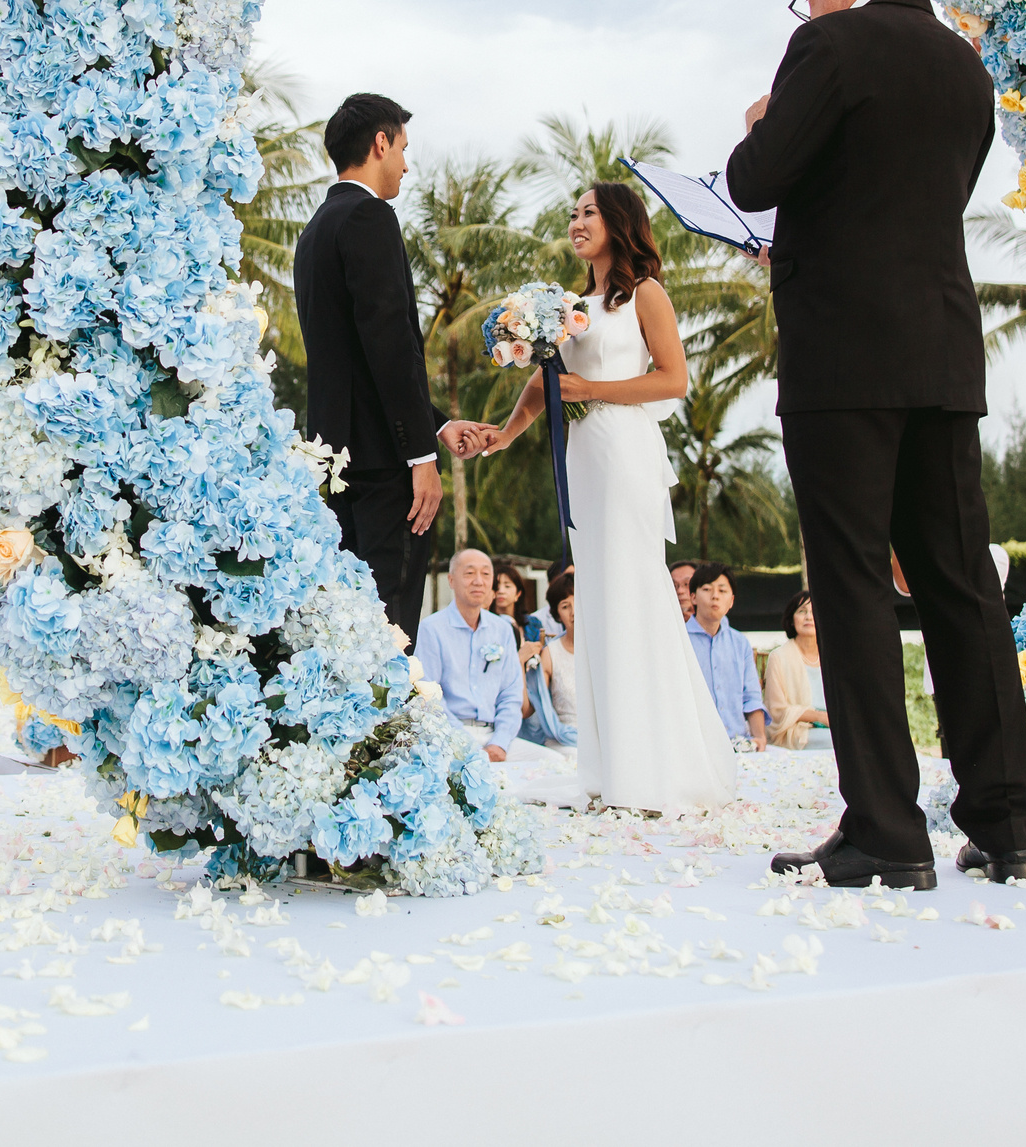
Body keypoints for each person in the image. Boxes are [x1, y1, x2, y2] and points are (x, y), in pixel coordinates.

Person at [727, 0, 1026, 888]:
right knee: (961, 584)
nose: (805, 5)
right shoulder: (965, 69)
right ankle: (1003, 824)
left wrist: (760, 122)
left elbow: (754, 179)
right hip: (942, 350)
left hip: (844, 358)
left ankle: (886, 831)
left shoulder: (828, 42)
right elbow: (914, 194)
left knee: (856, 583)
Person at [468, 183, 737, 813]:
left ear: (620, 222)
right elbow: (545, 380)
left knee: (631, 596)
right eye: (573, 213)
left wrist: (594, 385)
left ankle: (653, 771)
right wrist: (505, 434)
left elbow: (673, 377)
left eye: (589, 211)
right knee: (598, 601)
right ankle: (611, 764)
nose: (577, 221)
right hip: (582, 459)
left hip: (625, 453)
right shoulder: (569, 308)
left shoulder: (646, 294)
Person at [291, 92, 489, 633]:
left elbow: (357, 360)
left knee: (345, 630)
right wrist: (420, 457)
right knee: (390, 627)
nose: (406, 163)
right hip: (384, 470)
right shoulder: (370, 216)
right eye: (403, 148)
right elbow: (390, 345)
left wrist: (440, 424)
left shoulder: (313, 233)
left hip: (337, 465)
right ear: (381, 143)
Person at [414, 550, 524, 763]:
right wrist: (468, 745)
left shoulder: (502, 629)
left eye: (486, 574)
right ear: (451, 580)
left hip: (496, 737)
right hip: (448, 736)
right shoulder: (432, 628)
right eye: (470, 573)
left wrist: (499, 743)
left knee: (554, 765)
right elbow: (428, 696)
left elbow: (511, 695)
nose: (478, 581)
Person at [683, 566, 768, 749]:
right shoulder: (680, 640)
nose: (715, 596)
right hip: (694, 746)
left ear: (731, 601)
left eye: (722, 590)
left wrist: (760, 738)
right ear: (693, 597)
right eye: (707, 589)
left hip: (738, 743)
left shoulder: (740, 643)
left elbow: (751, 697)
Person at [763, 590, 834, 751]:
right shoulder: (778, 657)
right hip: (798, 730)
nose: (809, 617)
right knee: (837, 742)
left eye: (814, 611)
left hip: (834, 726)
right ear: (792, 620)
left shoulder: (833, 657)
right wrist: (819, 717)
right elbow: (776, 711)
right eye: (802, 611)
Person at [520, 571, 580, 750]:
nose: (574, 612)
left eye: (579, 602)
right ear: (557, 615)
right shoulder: (551, 654)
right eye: (565, 606)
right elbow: (527, 710)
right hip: (565, 742)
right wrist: (519, 664)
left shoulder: (606, 651)